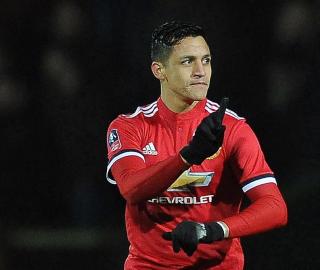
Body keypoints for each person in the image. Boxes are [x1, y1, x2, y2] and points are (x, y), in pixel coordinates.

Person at [105, 20, 288, 269]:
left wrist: (212, 230)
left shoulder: (233, 129)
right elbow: (131, 189)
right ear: (159, 70)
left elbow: (275, 208)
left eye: (206, 60)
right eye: (187, 61)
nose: (201, 71)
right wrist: (188, 156)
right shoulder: (129, 126)